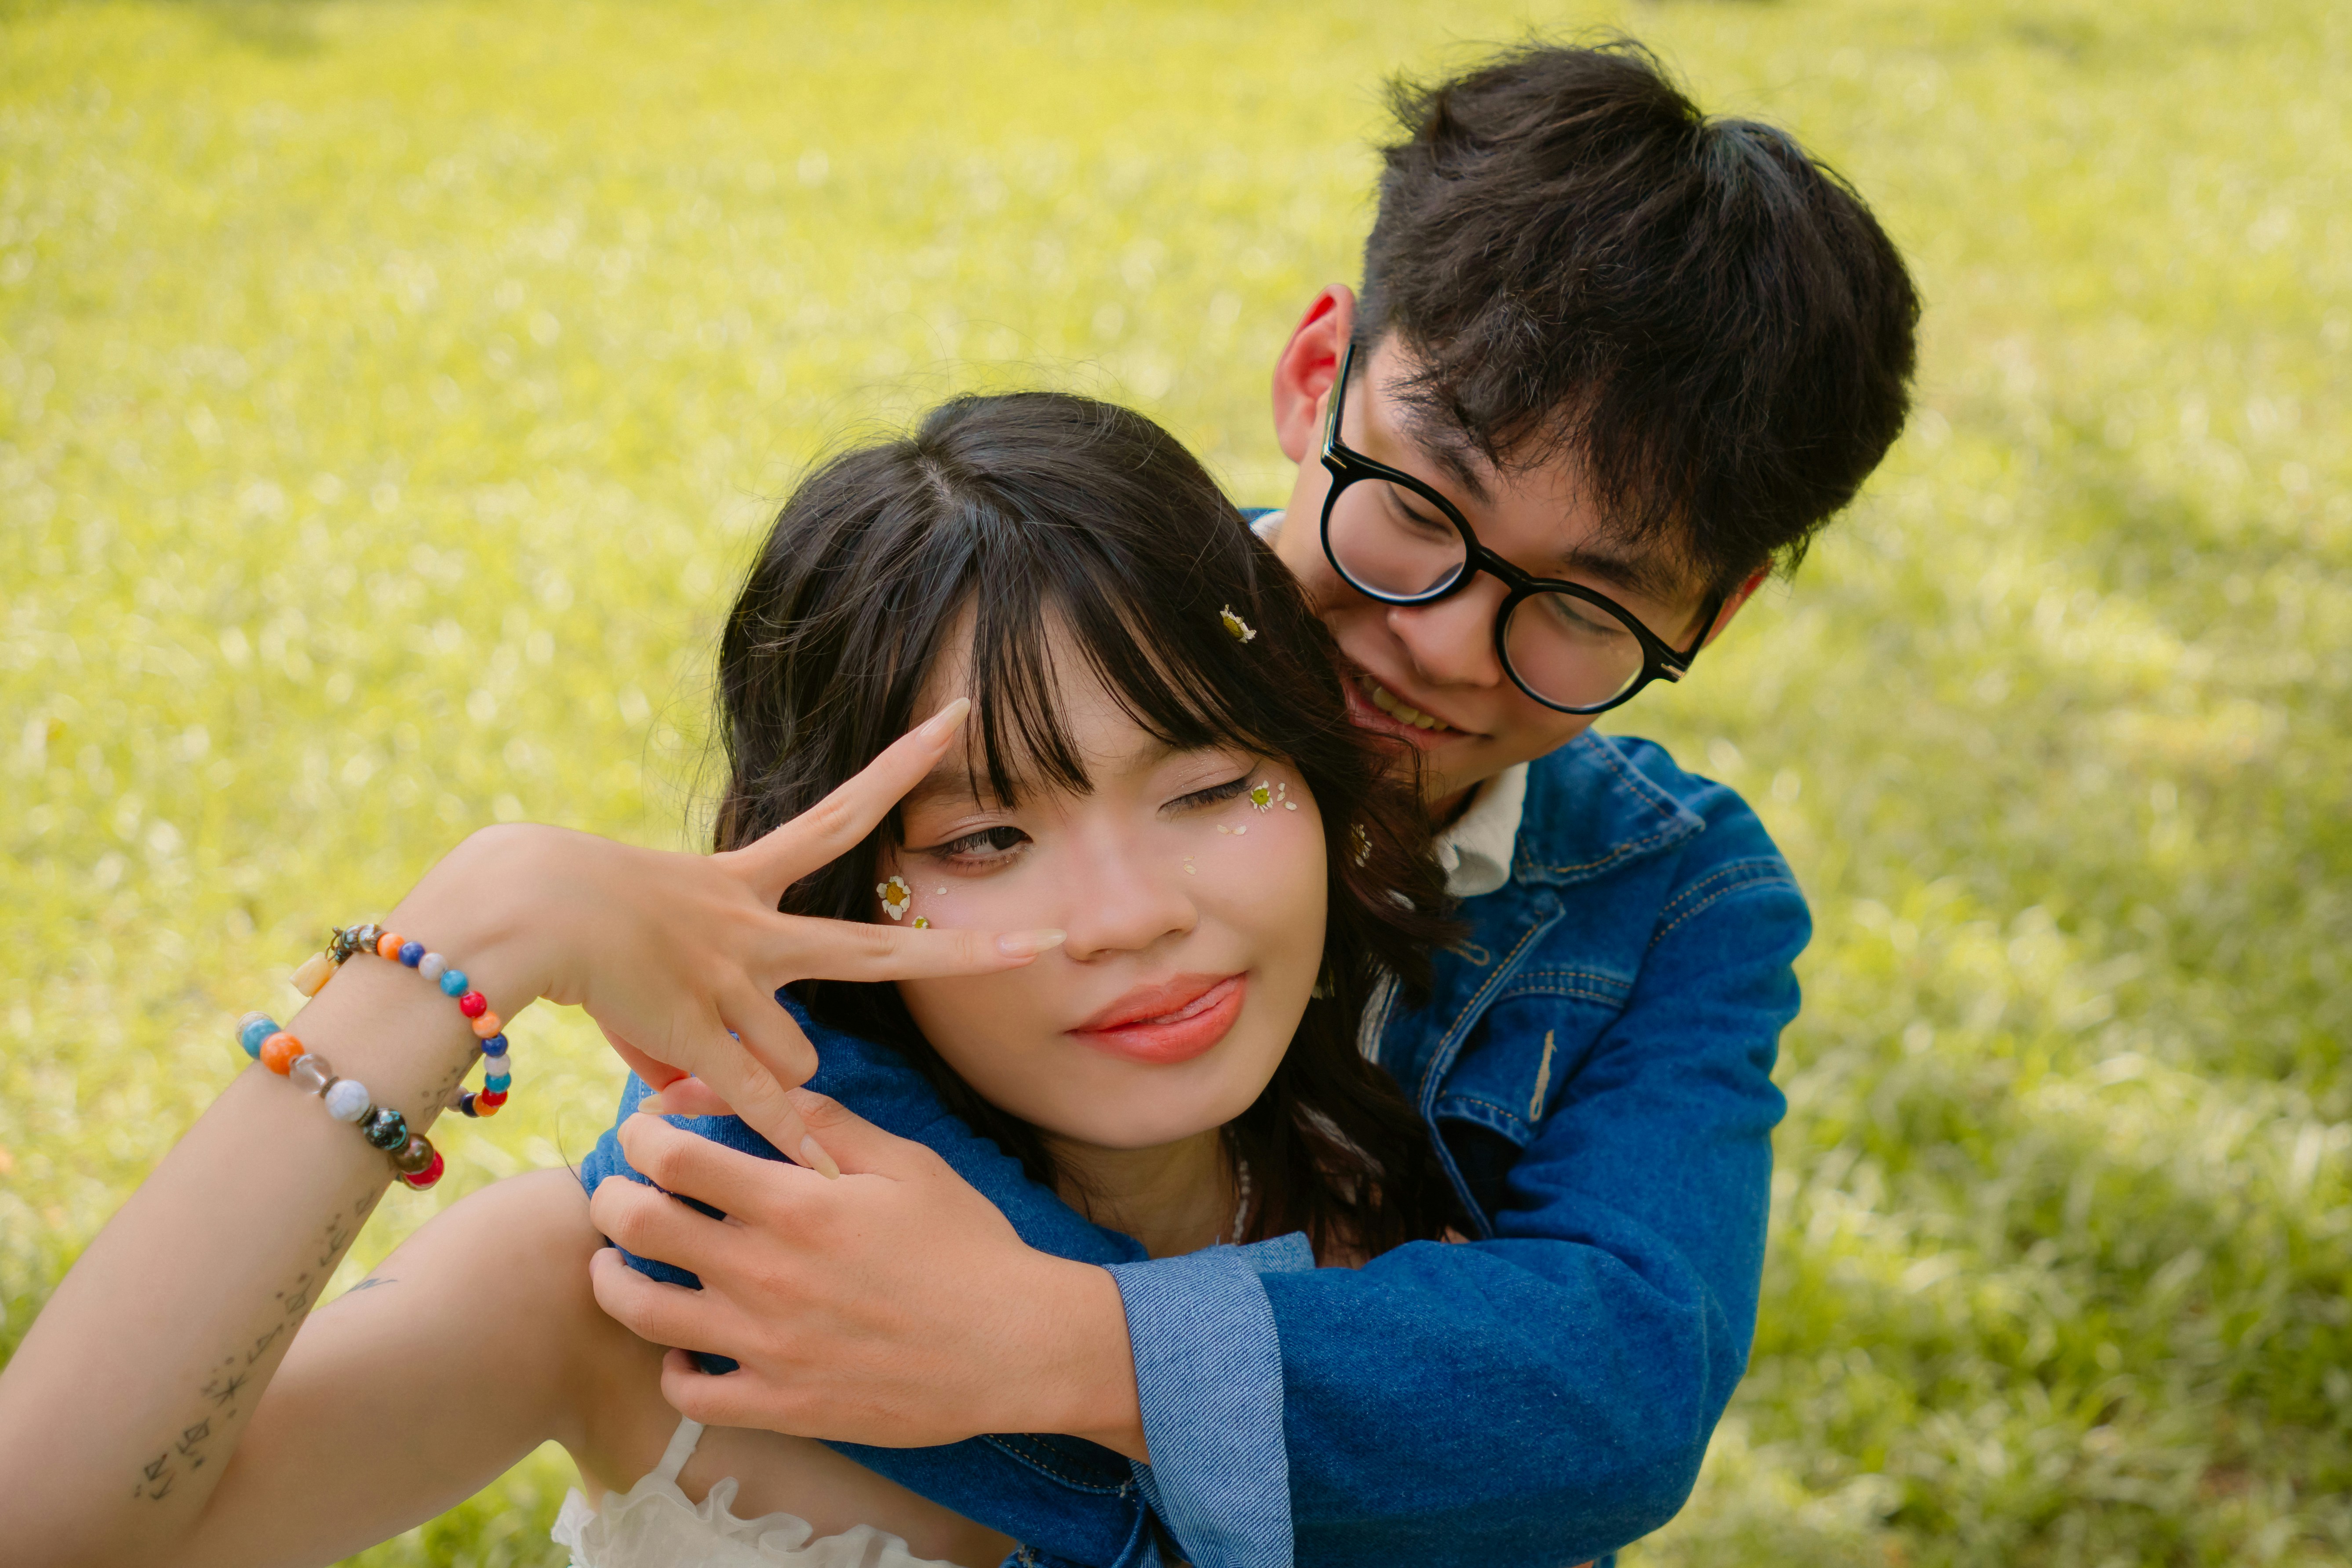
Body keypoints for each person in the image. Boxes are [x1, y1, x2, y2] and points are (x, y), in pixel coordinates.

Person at [577, 36, 1923, 1568]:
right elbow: (733, 1181)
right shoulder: (1013, 623)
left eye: (1585, 610)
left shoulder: (1674, 893)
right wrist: (1366, 1433)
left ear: (1717, 612)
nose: (1445, 645)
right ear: (1315, 375)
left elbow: (1620, 1392)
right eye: (1421, 510)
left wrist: (1067, 1346)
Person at [0, 393, 1462, 1568]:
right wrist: (482, 922)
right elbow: (52, 1530)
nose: (1131, 916)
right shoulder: (643, 1284)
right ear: (821, 885)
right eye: (990, 834)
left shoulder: (1464, 1216)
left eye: (1207, 788)